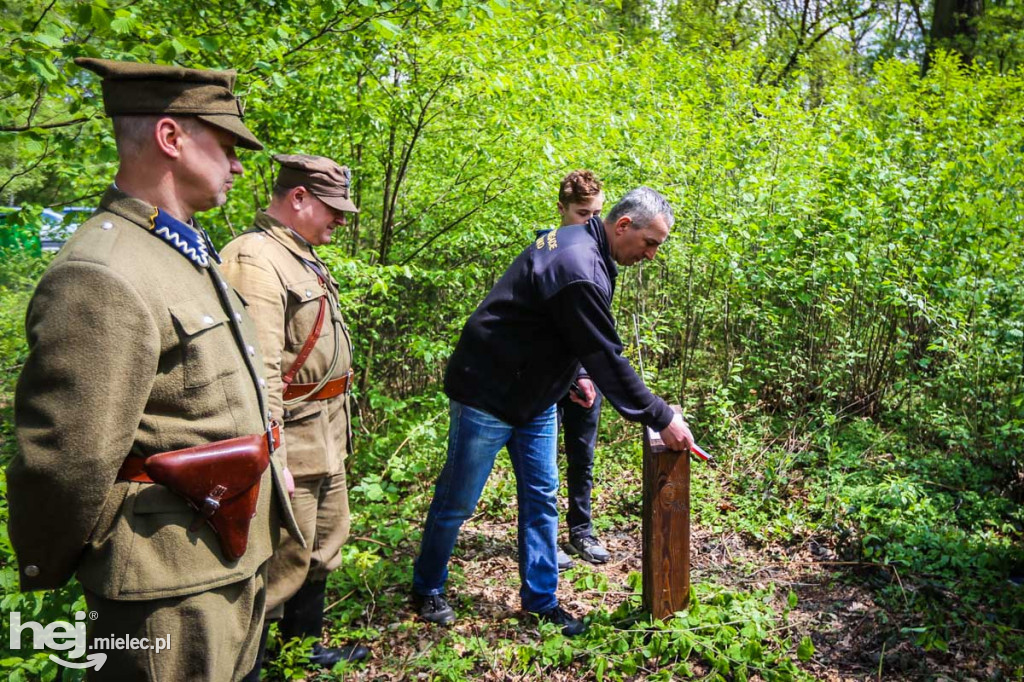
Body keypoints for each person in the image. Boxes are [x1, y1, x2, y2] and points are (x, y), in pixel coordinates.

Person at [7, 58, 301, 681]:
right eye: (226, 146)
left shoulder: (183, 250)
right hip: (167, 588)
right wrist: (52, 563)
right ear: (171, 138)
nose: (240, 164)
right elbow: (68, 460)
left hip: (231, 552)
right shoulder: (103, 271)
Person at [411, 186, 695, 636]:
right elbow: (605, 352)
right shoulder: (577, 263)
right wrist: (660, 415)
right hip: (487, 391)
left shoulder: (582, 243)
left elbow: (568, 327)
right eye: (650, 243)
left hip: (537, 395)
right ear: (623, 226)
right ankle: (427, 586)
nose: (653, 254)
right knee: (458, 500)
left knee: (542, 499)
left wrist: (577, 373)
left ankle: (541, 602)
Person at [221, 154, 368, 678]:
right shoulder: (255, 258)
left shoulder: (299, 255)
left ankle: (302, 650)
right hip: (292, 437)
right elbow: (256, 369)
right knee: (278, 562)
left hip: (325, 430)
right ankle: (255, 668)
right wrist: (271, 449)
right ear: (300, 198)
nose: (341, 221)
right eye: (333, 208)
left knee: (322, 546)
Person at [551, 170, 611, 572]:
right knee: (541, 463)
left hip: (586, 373)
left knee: (582, 455)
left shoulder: (601, 252)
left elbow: (596, 327)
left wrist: (589, 376)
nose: (589, 222)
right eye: (581, 212)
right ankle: (542, 536)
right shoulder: (548, 248)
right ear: (561, 210)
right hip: (549, 375)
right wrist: (575, 377)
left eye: (597, 214)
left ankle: (582, 530)